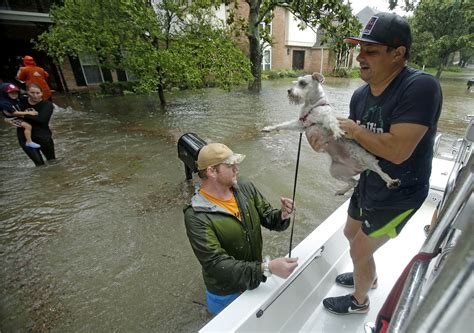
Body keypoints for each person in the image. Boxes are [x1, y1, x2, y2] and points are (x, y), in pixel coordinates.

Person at [306, 12, 442, 315]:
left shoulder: (420, 88)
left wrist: (353, 129)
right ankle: (369, 275)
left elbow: (397, 152)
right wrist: (326, 145)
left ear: (398, 54)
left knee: (358, 248)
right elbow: (356, 154)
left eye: (371, 51)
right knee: (348, 233)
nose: (360, 58)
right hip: (370, 181)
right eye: (359, 49)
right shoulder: (359, 96)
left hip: (401, 191)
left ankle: (359, 301)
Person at [184, 143, 299, 315]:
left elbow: (267, 216)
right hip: (225, 292)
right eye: (230, 166)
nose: (236, 169)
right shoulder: (196, 216)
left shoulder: (244, 186)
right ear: (211, 172)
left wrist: (282, 215)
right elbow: (216, 264)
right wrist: (266, 268)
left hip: (253, 276)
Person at [17, 83, 56, 166]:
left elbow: (42, 120)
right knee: (39, 164)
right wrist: (9, 118)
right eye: (32, 93)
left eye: (38, 93)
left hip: (43, 136)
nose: (35, 95)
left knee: (52, 161)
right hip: (25, 137)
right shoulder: (21, 101)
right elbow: (8, 110)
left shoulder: (47, 105)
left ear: (42, 93)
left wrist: (21, 114)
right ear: (27, 92)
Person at [1, 83, 41, 148]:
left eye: (15, 93)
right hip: (12, 119)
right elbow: (14, 113)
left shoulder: (17, 99)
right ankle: (29, 142)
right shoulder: (5, 103)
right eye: (11, 93)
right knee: (28, 126)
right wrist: (28, 113)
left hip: (17, 116)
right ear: (5, 94)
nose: (14, 95)